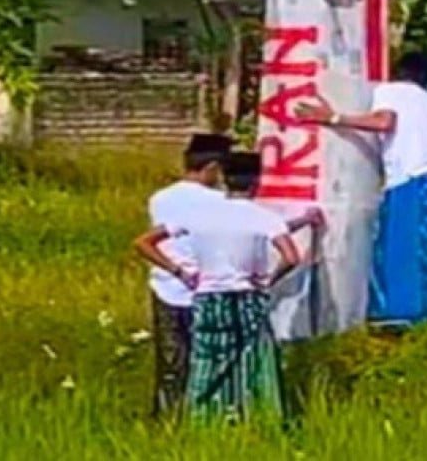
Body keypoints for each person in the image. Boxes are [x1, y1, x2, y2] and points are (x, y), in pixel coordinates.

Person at [135, 152, 319, 422]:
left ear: (224, 179)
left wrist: (180, 272)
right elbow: (291, 257)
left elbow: (143, 242)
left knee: (207, 360)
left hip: (208, 297)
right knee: (256, 358)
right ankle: (263, 417)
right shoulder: (263, 216)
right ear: (256, 181)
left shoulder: (198, 215)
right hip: (247, 297)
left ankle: (201, 419)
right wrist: (268, 280)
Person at [296, 51, 427, 327]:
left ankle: (401, 312)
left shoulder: (392, 91)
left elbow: (384, 122)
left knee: (400, 245)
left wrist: (333, 118)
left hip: (413, 175)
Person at [139, 133, 233, 420]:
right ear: (212, 168)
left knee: (170, 361)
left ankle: (167, 417)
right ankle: (207, 414)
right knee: (210, 358)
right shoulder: (220, 201)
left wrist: (176, 270)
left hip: (166, 285)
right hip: (207, 288)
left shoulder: (160, 198)